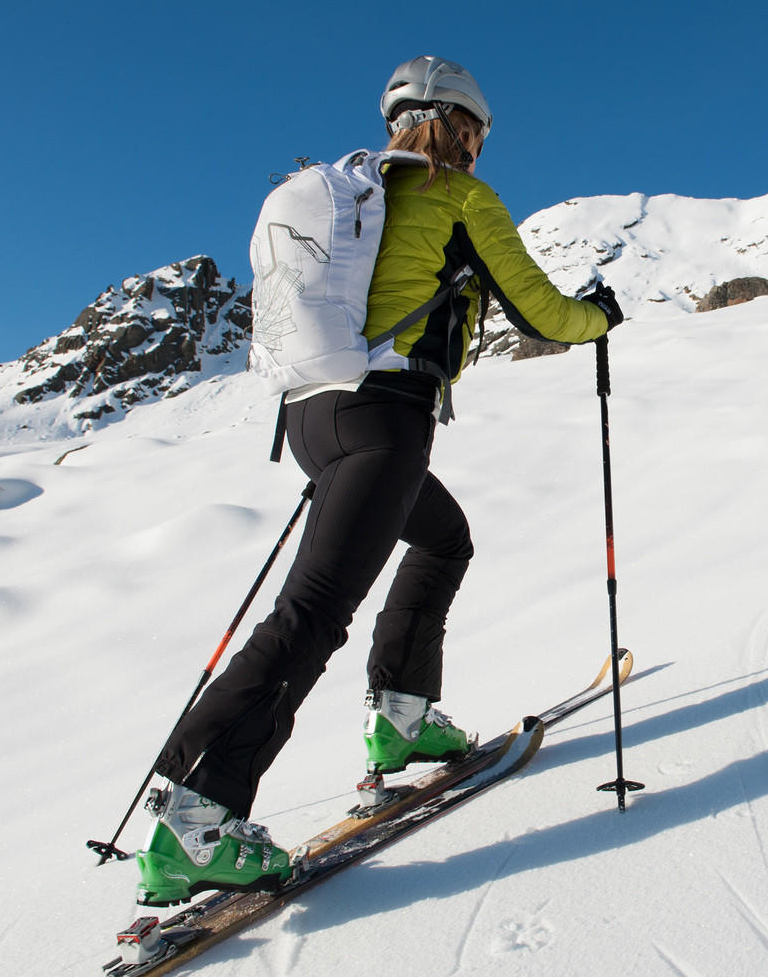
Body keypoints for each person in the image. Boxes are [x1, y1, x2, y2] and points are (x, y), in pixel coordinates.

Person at [131, 56, 623, 907]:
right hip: (384, 417)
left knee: (442, 536)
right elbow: (541, 312)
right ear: (464, 128)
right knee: (311, 614)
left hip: (315, 418)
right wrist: (602, 316)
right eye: (480, 135)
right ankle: (197, 819)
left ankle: (401, 717)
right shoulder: (460, 197)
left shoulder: (353, 196)